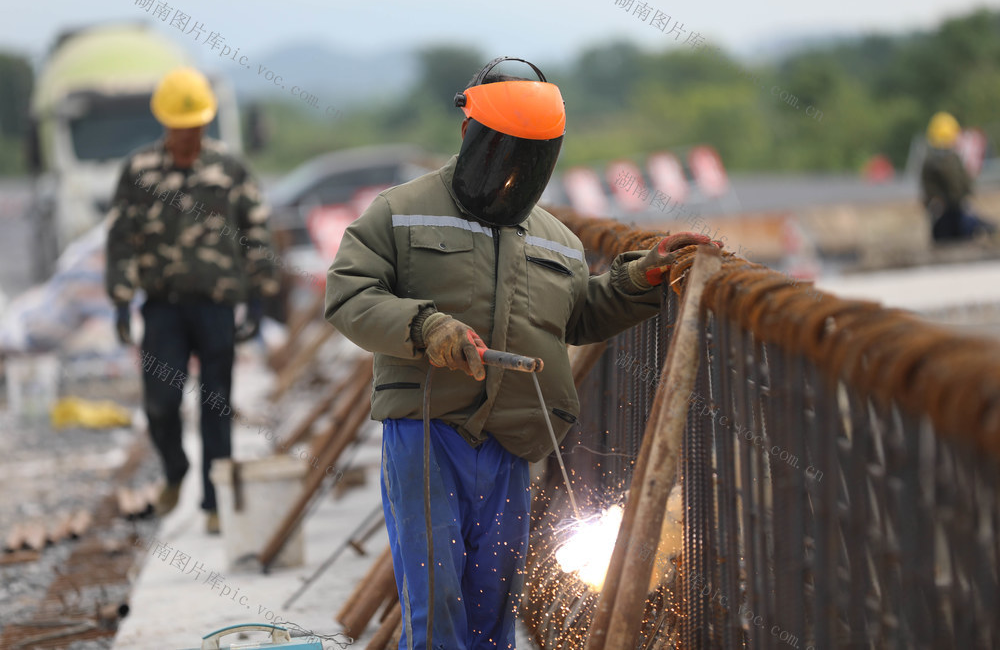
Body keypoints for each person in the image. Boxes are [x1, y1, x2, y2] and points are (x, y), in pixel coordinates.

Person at [325, 57, 718, 649]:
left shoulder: (556, 240)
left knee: (493, 602)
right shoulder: (399, 212)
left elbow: (579, 313)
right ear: (468, 135)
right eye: (500, 152)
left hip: (512, 441)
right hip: (428, 432)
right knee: (437, 602)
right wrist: (425, 328)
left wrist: (644, 276)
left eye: (527, 157)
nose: (511, 170)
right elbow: (349, 295)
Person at [105, 67, 279, 534]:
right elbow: (120, 238)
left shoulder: (229, 169)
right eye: (181, 126)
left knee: (215, 404)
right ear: (165, 124)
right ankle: (176, 469)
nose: (189, 134)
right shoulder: (140, 172)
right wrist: (121, 301)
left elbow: (256, 230)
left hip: (216, 306)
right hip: (163, 306)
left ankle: (214, 502)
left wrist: (260, 297)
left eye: (196, 124)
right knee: (160, 404)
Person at [920, 111, 996, 242]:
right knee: (959, 227)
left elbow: (961, 185)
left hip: (955, 211)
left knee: (968, 224)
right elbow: (957, 185)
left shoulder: (942, 161)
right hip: (946, 213)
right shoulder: (938, 162)